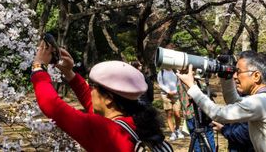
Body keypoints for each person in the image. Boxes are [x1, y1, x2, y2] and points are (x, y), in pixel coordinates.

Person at [31, 41, 166, 151]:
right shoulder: (137, 125)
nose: (90, 90)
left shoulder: (106, 132)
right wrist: (69, 72)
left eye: (93, 87)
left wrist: (38, 66)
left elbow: (52, 105)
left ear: (108, 99)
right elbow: (92, 102)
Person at [176, 51, 266, 152]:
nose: (235, 76)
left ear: (256, 76)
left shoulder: (260, 102)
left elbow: (218, 114)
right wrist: (225, 76)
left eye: (239, 72)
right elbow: (234, 101)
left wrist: (192, 86)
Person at [177, 81, 215, 151]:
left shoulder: (181, 80)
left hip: (200, 114)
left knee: (206, 138)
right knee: (199, 140)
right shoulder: (189, 80)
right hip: (194, 114)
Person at [157, 67, 184, 141]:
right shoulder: (161, 72)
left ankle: (178, 129)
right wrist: (168, 91)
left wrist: (175, 91)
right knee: (169, 114)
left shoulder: (176, 71)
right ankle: (173, 132)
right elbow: (160, 84)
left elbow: (178, 83)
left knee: (177, 114)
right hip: (166, 95)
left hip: (176, 95)